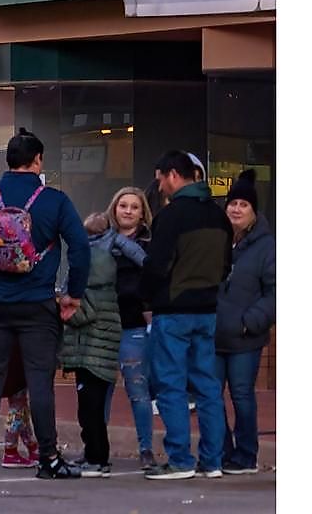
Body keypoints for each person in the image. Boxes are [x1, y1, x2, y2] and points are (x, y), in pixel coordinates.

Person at [0, 130, 88, 481]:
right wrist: (73, 293)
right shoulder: (54, 201)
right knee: (40, 382)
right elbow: (80, 247)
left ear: (7, 161)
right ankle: (48, 458)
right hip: (37, 305)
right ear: (38, 160)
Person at [140, 150, 229, 480]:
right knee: (207, 387)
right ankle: (213, 460)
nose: (160, 185)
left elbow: (156, 265)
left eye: (161, 178)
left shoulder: (172, 216)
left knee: (171, 385)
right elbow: (225, 266)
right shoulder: (218, 216)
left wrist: (147, 296)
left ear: (173, 175)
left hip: (173, 310)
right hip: (207, 311)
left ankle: (179, 459)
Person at [87, 187, 158, 471]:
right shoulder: (99, 239)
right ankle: (97, 450)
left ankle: (146, 450)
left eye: (134, 207)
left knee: (138, 389)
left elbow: (151, 278)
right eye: (123, 206)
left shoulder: (149, 243)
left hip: (133, 325)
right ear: (113, 209)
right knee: (99, 391)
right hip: (101, 324)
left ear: (143, 213)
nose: (128, 211)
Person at [59, 202, 128, 474]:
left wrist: (62, 306)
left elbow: (80, 315)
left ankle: (97, 458)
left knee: (90, 410)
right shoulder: (108, 286)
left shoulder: (91, 286)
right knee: (93, 409)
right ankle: (94, 454)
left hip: (90, 353)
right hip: (97, 353)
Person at [214, 170, 271, 477]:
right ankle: (222, 452)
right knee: (212, 395)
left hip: (246, 337)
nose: (236, 209)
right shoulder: (217, 241)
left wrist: (250, 322)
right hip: (214, 333)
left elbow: (276, 292)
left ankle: (246, 455)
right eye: (232, 203)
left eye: (243, 204)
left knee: (241, 395)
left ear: (254, 211)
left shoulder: (267, 246)